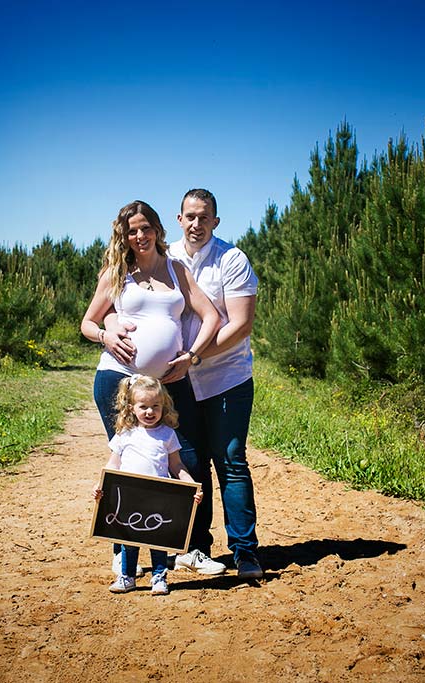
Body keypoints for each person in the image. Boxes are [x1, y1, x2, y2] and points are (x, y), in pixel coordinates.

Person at [107, 188, 263, 579]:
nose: (196, 223)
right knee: (190, 462)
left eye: (204, 216)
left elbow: (240, 324)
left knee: (230, 460)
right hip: (180, 384)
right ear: (178, 220)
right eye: (190, 216)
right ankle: (194, 548)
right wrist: (109, 325)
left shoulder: (232, 259)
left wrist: (193, 357)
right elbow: (118, 301)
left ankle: (245, 552)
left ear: (215, 221)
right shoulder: (167, 256)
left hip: (226, 377)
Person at [80, 200, 221, 577]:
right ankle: (121, 551)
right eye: (131, 231)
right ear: (123, 237)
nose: (139, 236)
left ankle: (189, 548)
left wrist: (191, 355)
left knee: (188, 458)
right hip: (118, 380)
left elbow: (212, 316)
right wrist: (106, 335)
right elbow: (87, 323)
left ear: (158, 230)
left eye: (145, 228)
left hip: (170, 385)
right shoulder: (116, 273)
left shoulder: (177, 271)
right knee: (129, 464)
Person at [92, 375, 203, 595]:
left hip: (159, 497)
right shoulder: (125, 434)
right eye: (144, 407)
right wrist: (100, 485)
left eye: (156, 406)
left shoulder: (167, 435)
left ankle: (159, 578)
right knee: (128, 539)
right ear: (132, 408)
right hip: (129, 497)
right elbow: (113, 464)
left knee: (158, 538)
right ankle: (127, 577)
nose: (150, 412)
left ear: (164, 407)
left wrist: (191, 486)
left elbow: (177, 466)